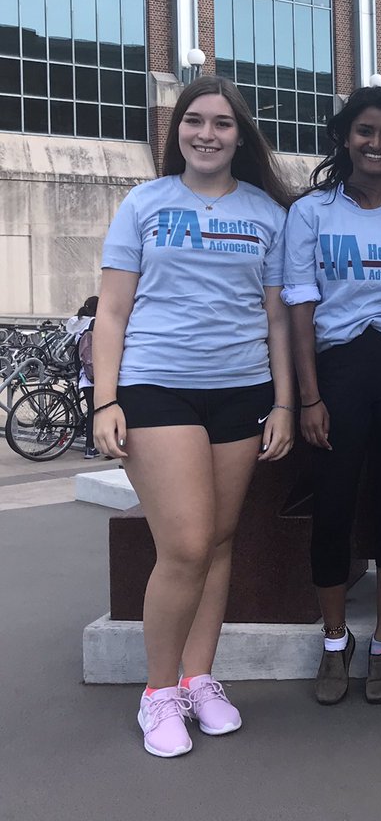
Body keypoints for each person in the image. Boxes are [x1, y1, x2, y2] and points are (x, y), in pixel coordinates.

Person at [92, 76, 294, 758]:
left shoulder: (268, 212)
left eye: (222, 123)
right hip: (157, 390)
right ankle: (158, 694)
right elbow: (112, 313)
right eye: (194, 121)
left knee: (220, 541)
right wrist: (105, 400)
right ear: (176, 129)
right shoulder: (144, 202)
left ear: (242, 135)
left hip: (241, 391)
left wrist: (285, 403)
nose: (207, 134)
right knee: (184, 544)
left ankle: (200, 677)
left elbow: (276, 320)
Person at [282, 86, 381, 706]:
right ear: (345, 136)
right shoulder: (312, 212)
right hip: (337, 371)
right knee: (334, 509)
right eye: (365, 131)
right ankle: (336, 640)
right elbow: (299, 305)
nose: (376, 143)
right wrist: (309, 398)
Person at [65, 295, 99, 458]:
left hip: (83, 374)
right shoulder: (94, 324)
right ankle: (90, 447)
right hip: (94, 375)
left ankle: (87, 437)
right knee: (95, 410)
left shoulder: (77, 323)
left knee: (92, 408)